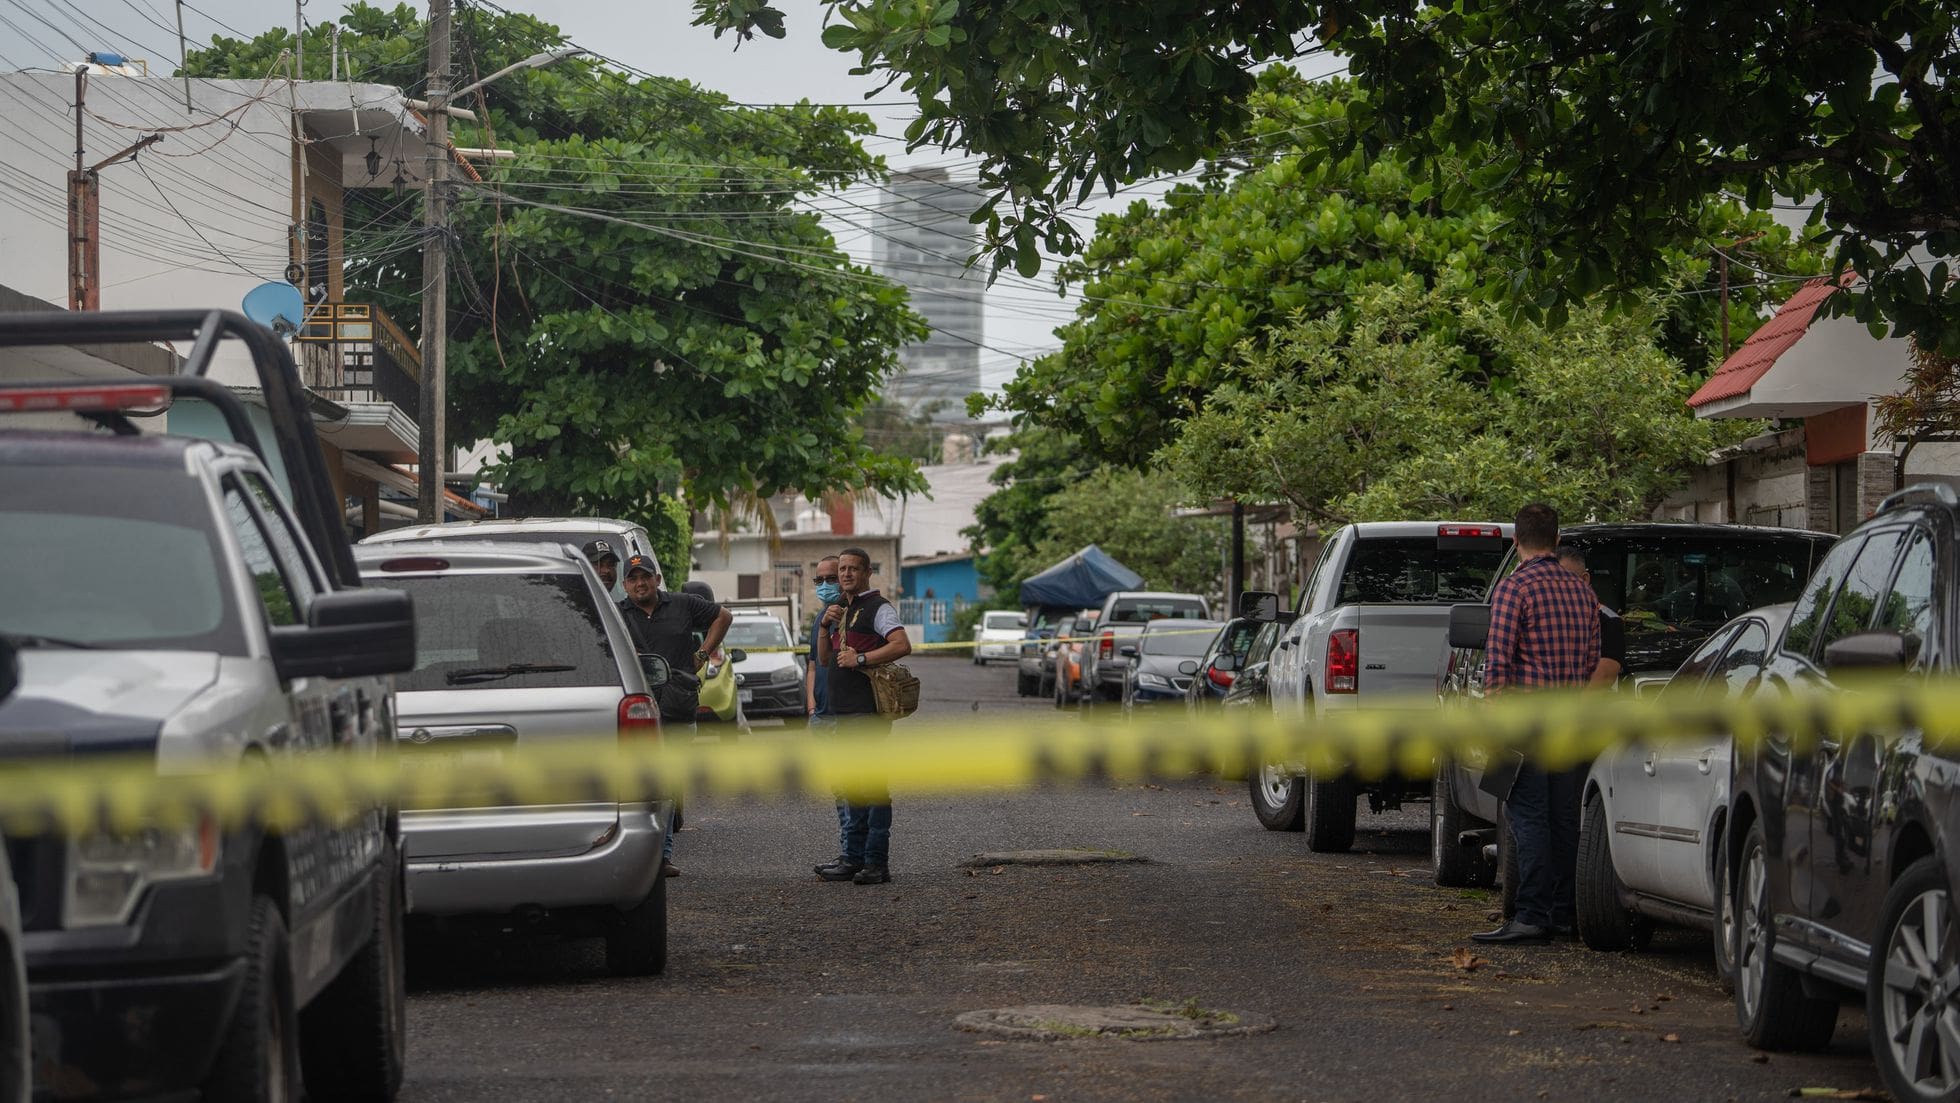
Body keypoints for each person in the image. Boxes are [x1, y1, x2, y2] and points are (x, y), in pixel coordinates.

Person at [1472, 504, 1600, 945]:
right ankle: (1563, 914)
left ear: (1516, 541)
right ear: (1557, 538)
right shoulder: (1583, 593)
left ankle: (1530, 915)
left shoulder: (1514, 588)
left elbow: (1498, 661)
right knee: (1564, 819)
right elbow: (1591, 664)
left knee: (1527, 818)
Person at [617, 554, 732, 877]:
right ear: (625, 585)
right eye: (633, 578)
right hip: (635, 712)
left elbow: (723, 616)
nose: (640, 583)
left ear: (657, 579)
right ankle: (638, 855)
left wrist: (702, 654)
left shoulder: (682, 604)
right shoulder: (616, 613)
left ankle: (662, 857)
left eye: (645, 576)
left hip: (677, 708)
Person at [814, 547, 911, 885]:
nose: (846, 574)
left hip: (867, 714)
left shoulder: (878, 608)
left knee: (871, 788)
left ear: (868, 572)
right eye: (842, 569)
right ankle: (852, 859)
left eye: (853, 569)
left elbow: (901, 644)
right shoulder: (843, 610)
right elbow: (824, 659)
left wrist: (861, 659)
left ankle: (876, 863)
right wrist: (824, 626)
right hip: (843, 714)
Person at [804, 557, 856, 876]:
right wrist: (811, 708)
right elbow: (813, 665)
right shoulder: (820, 619)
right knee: (839, 789)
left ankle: (853, 855)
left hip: (845, 716)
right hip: (822, 716)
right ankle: (848, 852)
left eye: (830, 578)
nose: (825, 585)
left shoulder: (855, 615)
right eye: (818, 580)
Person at [1557, 545, 1624, 689]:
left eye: (1564, 580)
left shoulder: (1609, 621)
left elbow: (1605, 676)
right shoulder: (1544, 619)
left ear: (1585, 579)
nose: (1557, 587)